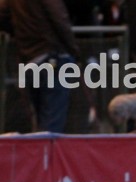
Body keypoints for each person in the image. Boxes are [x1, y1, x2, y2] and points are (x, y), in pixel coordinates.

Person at [4, 0, 81, 133]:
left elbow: (3, 15)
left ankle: (40, 152)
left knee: (39, 122)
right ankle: (48, 153)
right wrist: (74, 51)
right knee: (52, 124)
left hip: (28, 59)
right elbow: (60, 20)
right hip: (52, 56)